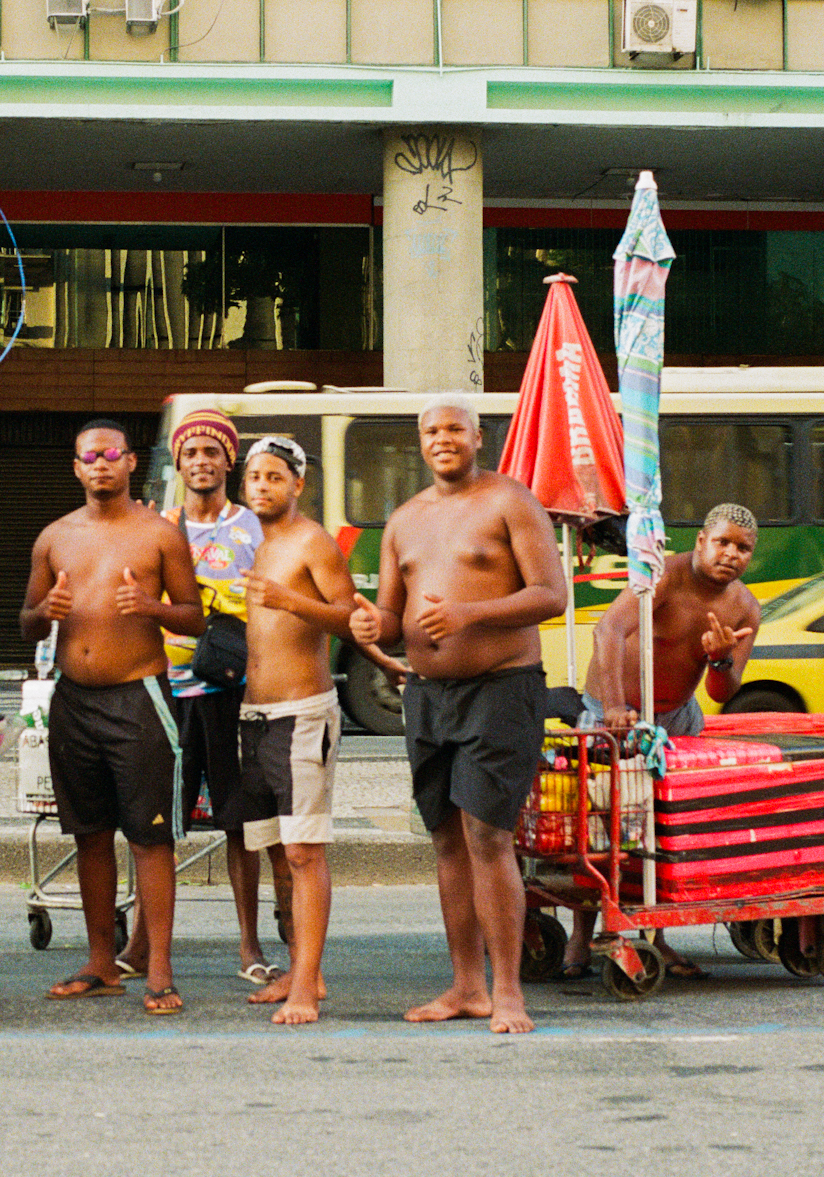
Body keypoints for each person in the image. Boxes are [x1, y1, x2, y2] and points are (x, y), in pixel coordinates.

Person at [349, 395, 564, 1033]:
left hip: (500, 689)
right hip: (428, 695)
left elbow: (550, 594)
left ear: (477, 438)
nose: (441, 439)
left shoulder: (510, 501)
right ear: (419, 442)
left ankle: (509, 992)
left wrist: (469, 614)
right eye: (430, 431)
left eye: (454, 429)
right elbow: (392, 618)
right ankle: (467, 986)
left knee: (488, 837)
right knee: (445, 838)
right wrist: (372, 626)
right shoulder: (404, 520)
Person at [20, 420, 204, 1015]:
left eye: (111, 454)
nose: (100, 463)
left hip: (139, 698)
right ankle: (102, 963)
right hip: (73, 700)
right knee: (90, 835)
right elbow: (25, 621)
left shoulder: (159, 534)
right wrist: (45, 611)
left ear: (130, 463)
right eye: (89, 456)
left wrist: (150, 607)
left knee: (150, 837)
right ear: (76, 467)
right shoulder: (54, 537)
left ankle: (159, 970)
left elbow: (195, 617)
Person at [118, 407, 286, 988]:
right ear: (178, 462)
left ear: (228, 460)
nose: (201, 462)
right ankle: (141, 944)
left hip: (233, 692)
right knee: (156, 822)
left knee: (240, 822)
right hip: (166, 691)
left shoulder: (253, 528)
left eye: (211, 451)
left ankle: (249, 944)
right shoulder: (158, 526)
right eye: (190, 452)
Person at [560, 501, 762, 980]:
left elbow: (723, 692)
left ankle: (656, 934)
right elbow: (608, 631)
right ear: (701, 542)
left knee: (666, 830)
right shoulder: (661, 577)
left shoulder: (746, 607)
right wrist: (613, 707)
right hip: (614, 714)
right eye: (722, 542)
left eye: (743, 548)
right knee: (601, 829)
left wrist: (719, 659)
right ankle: (581, 935)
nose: (731, 554)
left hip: (677, 720)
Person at [234, 437, 357, 1025]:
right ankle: (300, 969)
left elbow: (352, 618)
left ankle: (306, 985)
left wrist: (290, 599)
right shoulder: (251, 542)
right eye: (255, 476)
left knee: (305, 852)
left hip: (302, 713)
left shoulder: (312, 542)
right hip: (254, 717)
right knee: (279, 852)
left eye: (275, 477)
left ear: (298, 485)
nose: (262, 485)